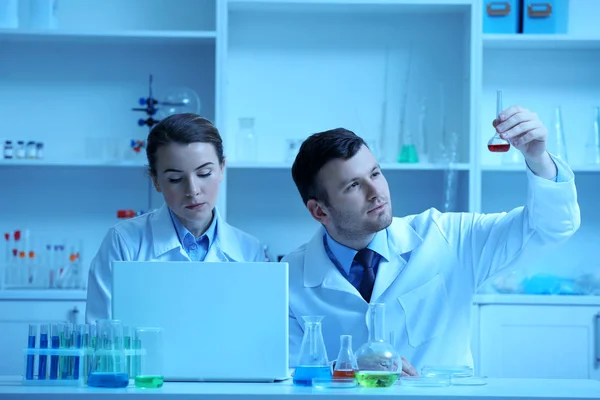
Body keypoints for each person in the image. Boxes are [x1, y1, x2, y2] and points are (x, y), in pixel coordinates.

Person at [285, 106, 580, 375]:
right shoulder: (287, 278)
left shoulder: (448, 236)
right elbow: (283, 373)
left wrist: (538, 158)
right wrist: (348, 370)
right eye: (353, 185)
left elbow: (549, 229)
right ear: (319, 210)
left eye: (375, 173)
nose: (376, 192)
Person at [86, 113, 264, 323]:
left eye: (204, 173)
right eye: (175, 179)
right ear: (156, 181)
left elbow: (254, 332)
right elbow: (102, 334)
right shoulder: (124, 242)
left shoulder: (249, 250)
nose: (193, 190)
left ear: (222, 168)